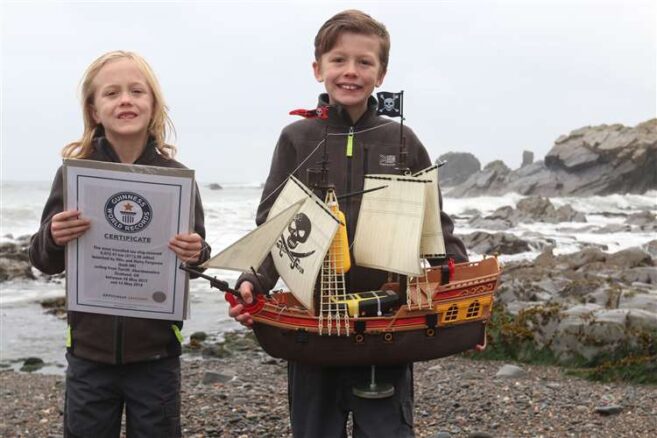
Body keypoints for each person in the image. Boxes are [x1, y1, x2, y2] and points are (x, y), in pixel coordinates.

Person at [228, 10, 468, 438]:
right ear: (318, 68)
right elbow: (274, 228)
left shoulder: (403, 140)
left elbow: (435, 228)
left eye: (364, 62)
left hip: (387, 322)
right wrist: (254, 282)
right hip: (314, 321)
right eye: (339, 60)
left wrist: (466, 307)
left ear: (381, 74)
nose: (351, 71)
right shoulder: (296, 138)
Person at [29, 50, 211, 438]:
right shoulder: (74, 175)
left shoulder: (177, 179)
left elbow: (196, 259)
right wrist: (53, 237)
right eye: (111, 93)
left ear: (153, 105)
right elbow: (43, 259)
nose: (125, 100)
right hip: (88, 356)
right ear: (94, 110)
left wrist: (196, 254)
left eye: (136, 91)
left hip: (157, 356)